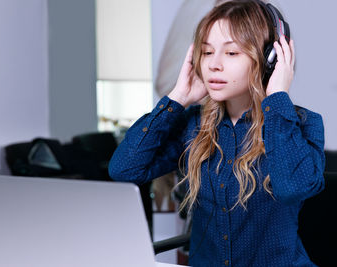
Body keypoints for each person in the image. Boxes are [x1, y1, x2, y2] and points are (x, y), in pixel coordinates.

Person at [109, 0, 325, 266]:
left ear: (270, 59)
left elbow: (292, 188)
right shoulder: (193, 125)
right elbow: (123, 170)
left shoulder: (303, 124)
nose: (214, 64)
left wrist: (277, 96)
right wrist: (177, 98)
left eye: (232, 53)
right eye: (207, 52)